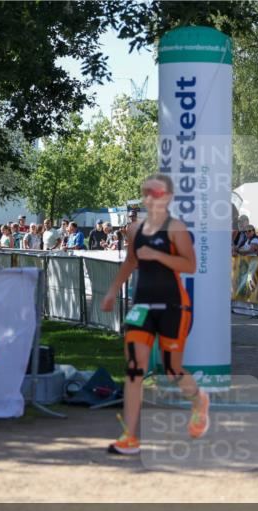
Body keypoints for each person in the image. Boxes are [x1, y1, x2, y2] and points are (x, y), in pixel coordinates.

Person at [99, 174, 209, 455]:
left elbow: (190, 265)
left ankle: (199, 401)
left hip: (173, 305)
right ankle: (130, 436)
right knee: (135, 369)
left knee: (172, 370)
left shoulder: (176, 228)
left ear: (168, 197)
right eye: (146, 193)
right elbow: (131, 262)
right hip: (142, 306)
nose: (150, 198)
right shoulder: (135, 230)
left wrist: (158, 255)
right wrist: (112, 290)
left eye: (156, 193)